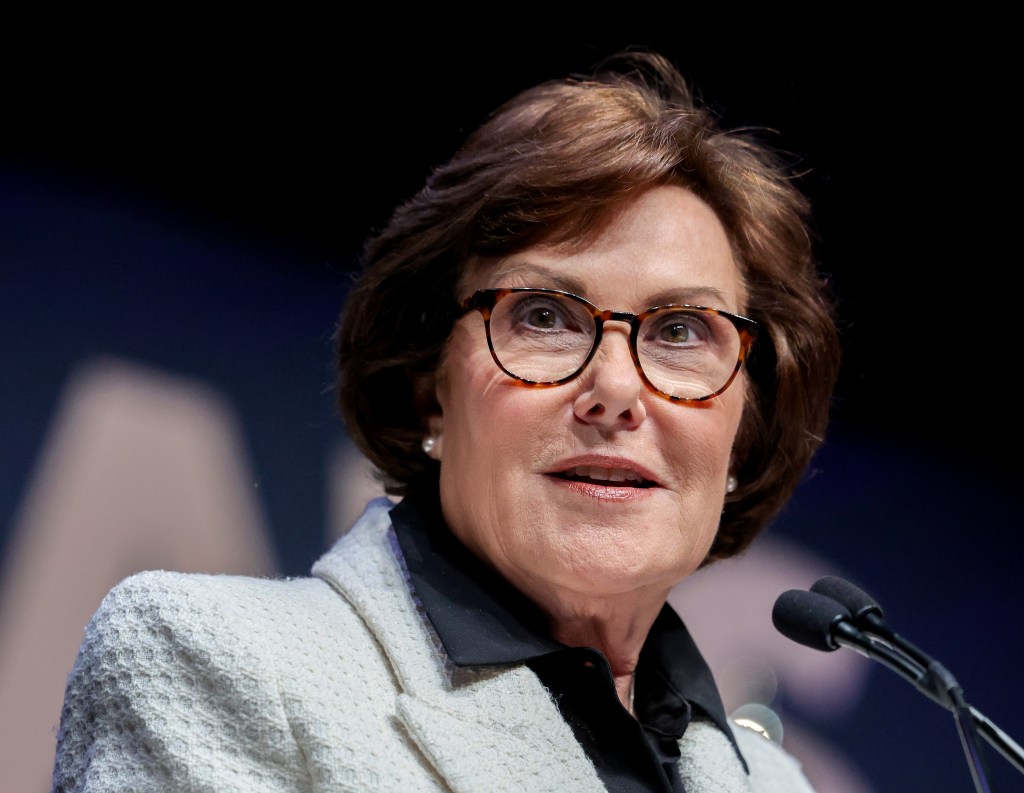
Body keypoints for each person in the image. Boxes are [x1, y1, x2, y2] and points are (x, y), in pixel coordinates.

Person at [51, 47, 841, 792]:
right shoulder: (218, 661)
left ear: (744, 424)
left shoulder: (775, 783)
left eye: (680, 332)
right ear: (431, 385)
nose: (616, 389)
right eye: (543, 316)